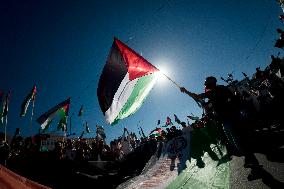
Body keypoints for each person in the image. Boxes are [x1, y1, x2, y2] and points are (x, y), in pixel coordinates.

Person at [180, 76, 263, 179]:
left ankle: (255, 166)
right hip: (228, 118)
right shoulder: (218, 90)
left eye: (207, 84)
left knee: (238, 141)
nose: (206, 86)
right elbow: (199, 97)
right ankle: (249, 159)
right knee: (236, 141)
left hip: (229, 118)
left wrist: (186, 91)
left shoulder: (218, 90)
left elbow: (198, 97)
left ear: (212, 83)